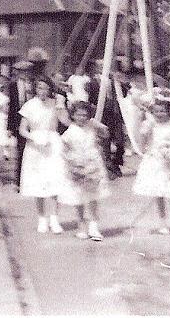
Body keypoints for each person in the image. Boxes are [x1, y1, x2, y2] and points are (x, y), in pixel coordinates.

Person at [132, 95, 170, 236]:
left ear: (169, 112)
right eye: (156, 111)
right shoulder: (150, 126)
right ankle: (162, 222)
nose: (159, 114)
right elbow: (141, 145)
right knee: (159, 193)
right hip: (156, 162)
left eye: (163, 111)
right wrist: (144, 131)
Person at [18, 78, 70, 234]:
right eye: (40, 88)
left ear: (50, 90)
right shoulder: (29, 105)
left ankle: (54, 218)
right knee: (38, 182)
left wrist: (62, 105)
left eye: (46, 88)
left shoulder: (55, 103)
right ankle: (42, 218)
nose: (42, 91)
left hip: (53, 143)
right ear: (36, 89)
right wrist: (34, 137)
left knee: (54, 180)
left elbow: (66, 122)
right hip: (35, 147)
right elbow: (22, 129)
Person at [58, 101, 111, 241]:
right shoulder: (69, 132)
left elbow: (105, 134)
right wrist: (72, 165)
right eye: (78, 115)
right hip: (77, 165)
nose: (82, 118)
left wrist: (98, 125)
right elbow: (64, 150)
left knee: (93, 196)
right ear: (73, 115)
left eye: (85, 115)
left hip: (93, 164)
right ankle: (81, 225)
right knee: (79, 197)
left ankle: (94, 225)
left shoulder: (92, 127)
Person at [7, 60, 35, 187]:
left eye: (27, 72)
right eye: (22, 72)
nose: (25, 74)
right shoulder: (13, 85)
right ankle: (19, 182)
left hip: (34, 122)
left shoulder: (34, 85)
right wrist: (10, 127)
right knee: (21, 151)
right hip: (19, 123)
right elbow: (12, 107)